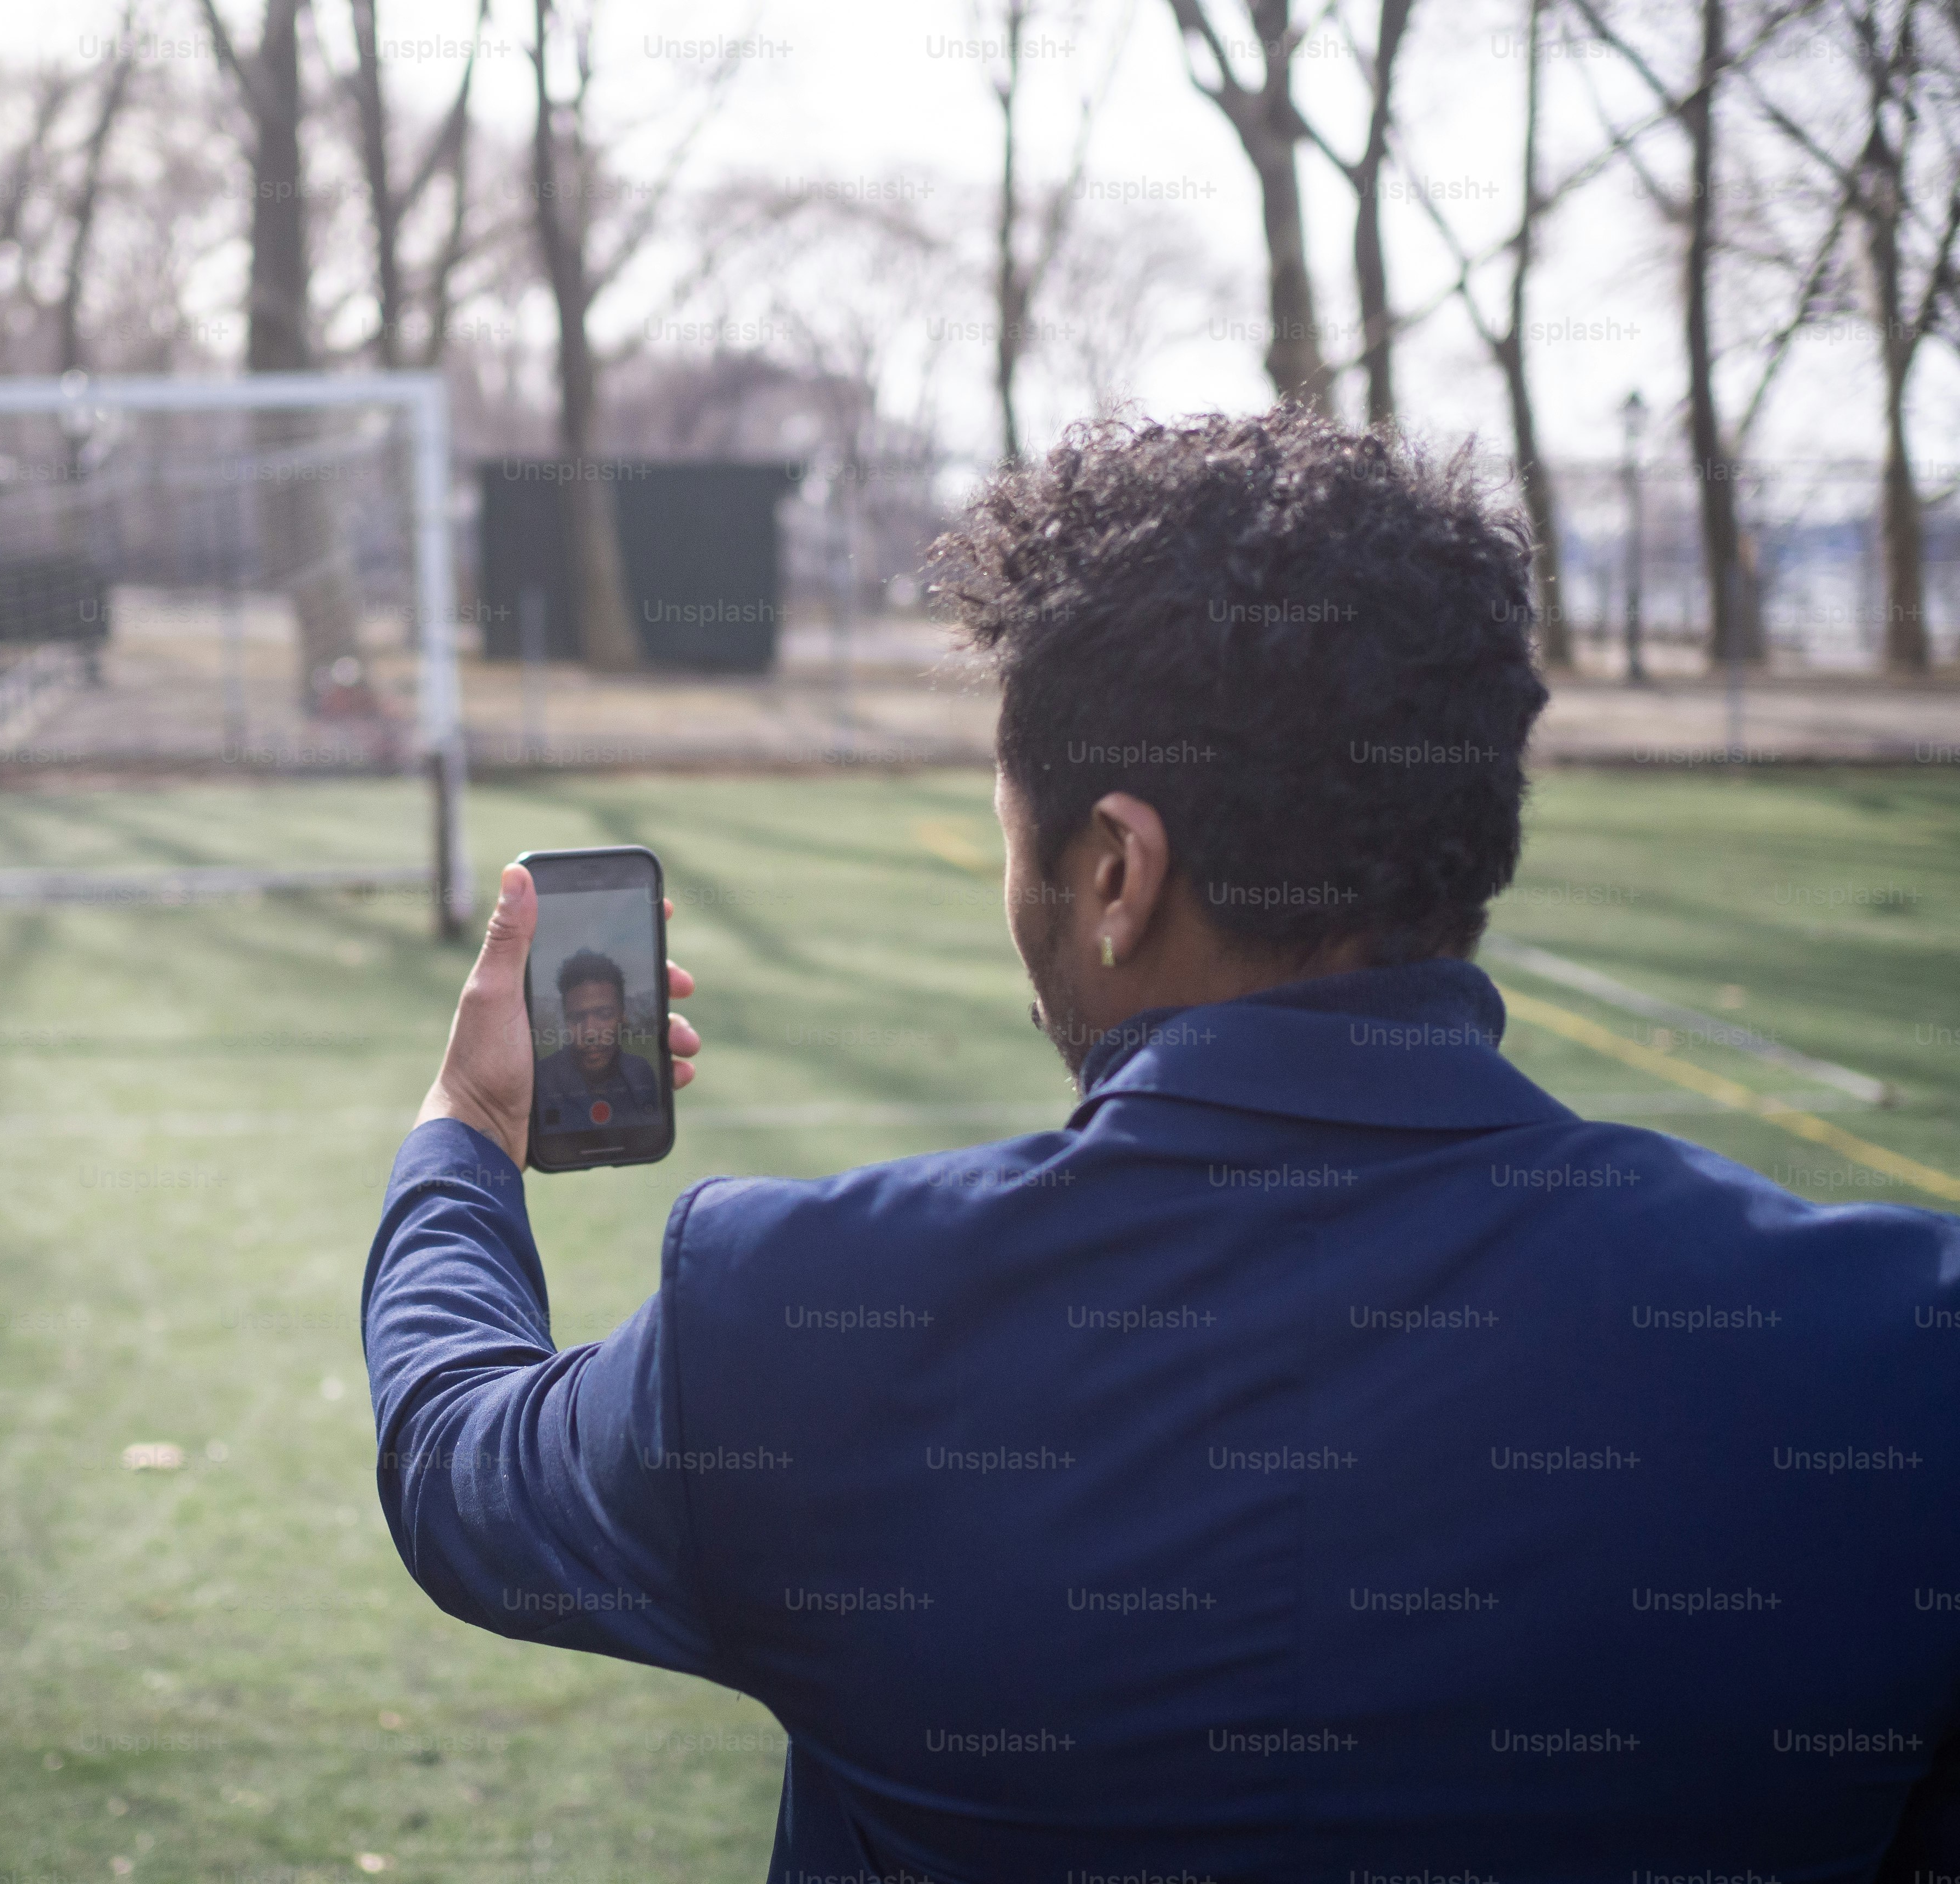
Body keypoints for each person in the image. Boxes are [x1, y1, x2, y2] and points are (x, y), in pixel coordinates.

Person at [361, 409, 1960, 1881]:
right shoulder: (1899, 1356)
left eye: (1015, 841)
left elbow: (457, 1466)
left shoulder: (803, 1321)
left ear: (1118, 873)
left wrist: (472, 1134)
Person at [531, 947, 661, 1131]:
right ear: (566, 1022)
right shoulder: (540, 1079)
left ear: (622, 1015)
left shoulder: (640, 1072)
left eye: (604, 1014)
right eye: (577, 1018)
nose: (590, 1033)